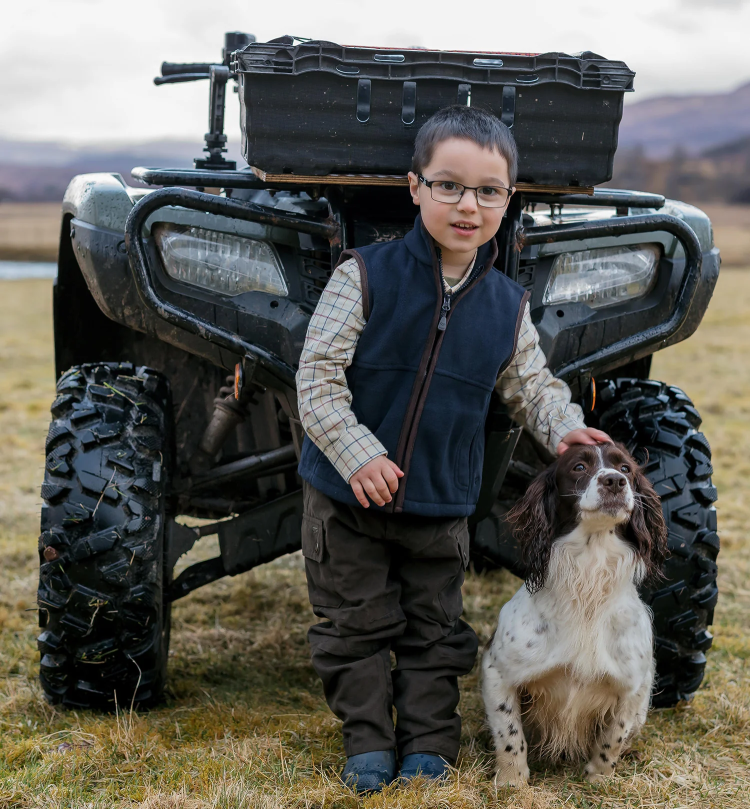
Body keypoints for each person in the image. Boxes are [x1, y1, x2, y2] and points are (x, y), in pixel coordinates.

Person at [295, 104, 610, 793]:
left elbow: (533, 383)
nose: (468, 205)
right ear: (415, 188)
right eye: (448, 185)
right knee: (354, 625)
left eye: (488, 191)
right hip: (348, 499)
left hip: (439, 502)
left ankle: (429, 742)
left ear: (509, 198)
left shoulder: (506, 304)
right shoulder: (365, 275)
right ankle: (369, 742)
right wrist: (357, 454)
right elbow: (316, 379)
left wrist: (563, 428)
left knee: (435, 628)